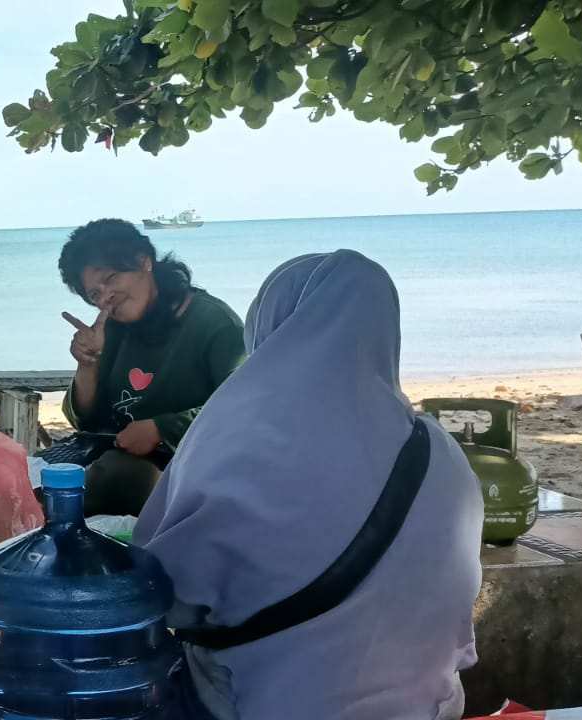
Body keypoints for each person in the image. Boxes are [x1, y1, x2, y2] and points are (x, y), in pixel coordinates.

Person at [134, 250, 483, 719]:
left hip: (269, 703)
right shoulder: (438, 449)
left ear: (270, 326)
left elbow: (167, 592)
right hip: (427, 703)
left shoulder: (235, 438)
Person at [57, 219, 245, 516]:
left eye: (112, 278)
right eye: (94, 294)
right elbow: (87, 423)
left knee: (114, 479)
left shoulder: (213, 323)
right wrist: (87, 364)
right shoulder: (116, 327)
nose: (106, 297)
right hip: (113, 461)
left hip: (192, 475)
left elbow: (246, 408)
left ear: (144, 261)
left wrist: (162, 429)